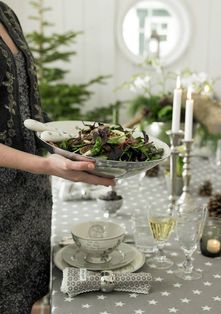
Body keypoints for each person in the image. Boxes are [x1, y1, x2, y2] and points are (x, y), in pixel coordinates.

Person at [0, 2, 114, 313]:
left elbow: (24, 103)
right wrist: (46, 164)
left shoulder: (6, 13)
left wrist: (69, 144)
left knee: (27, 296)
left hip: (30, 194)